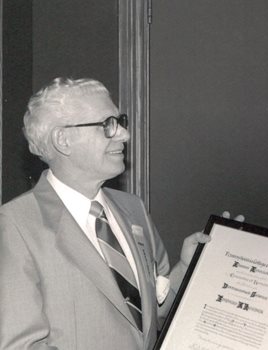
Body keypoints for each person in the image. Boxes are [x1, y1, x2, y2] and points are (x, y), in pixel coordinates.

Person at [0, 77, 209, 350]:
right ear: (63, 140)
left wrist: (186, 269)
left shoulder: (133, 210)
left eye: (119, 122)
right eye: (107, 125)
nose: (124, 134)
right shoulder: (16, 225)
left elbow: (151, 320)